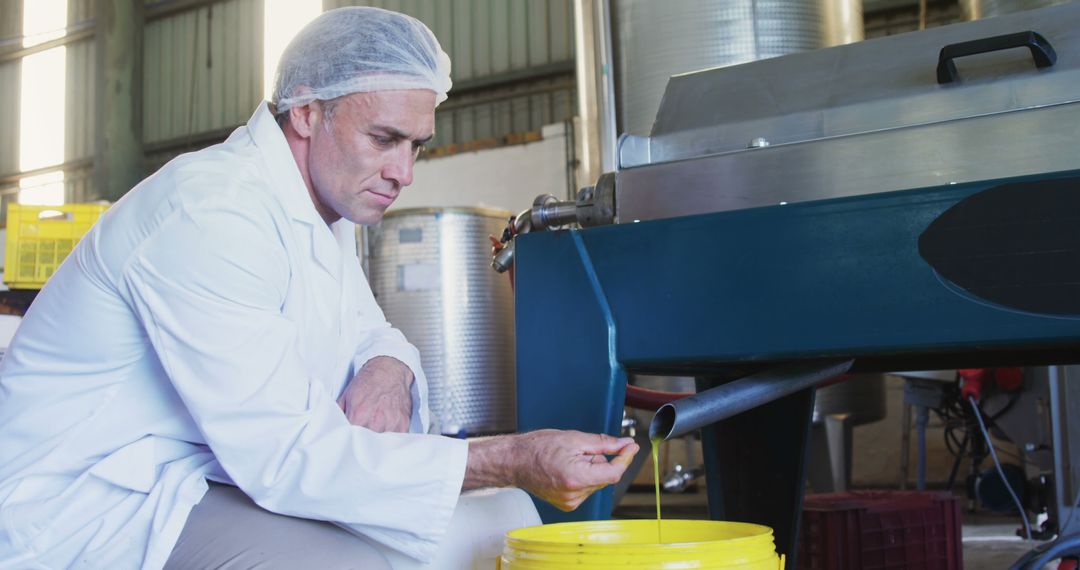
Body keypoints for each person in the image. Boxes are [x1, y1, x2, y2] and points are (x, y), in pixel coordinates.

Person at [0, 7, 638, 569]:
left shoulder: (316, 208)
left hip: (201, 473)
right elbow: (286, 456)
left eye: (416, 146)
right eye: (385, 139)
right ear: (306, 111)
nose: (404, 173)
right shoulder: (210, 213)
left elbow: (368, 329)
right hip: (86, 501)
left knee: (500, 522)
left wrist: (388, 368)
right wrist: (510, 457)